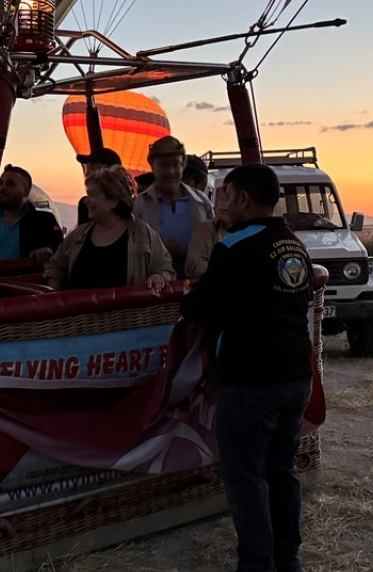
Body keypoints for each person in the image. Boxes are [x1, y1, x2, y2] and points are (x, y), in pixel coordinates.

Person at [179, 163, 314, 572]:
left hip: (251, 381)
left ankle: (257, 564)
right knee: (281, 470)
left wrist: (189, 295)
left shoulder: (234, 247)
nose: (220, 201)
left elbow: (199, 308)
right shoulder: (293, 243)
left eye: (224, 193)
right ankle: (287, 559)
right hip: (295, 375)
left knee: (246, 478)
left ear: (243, 199)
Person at [46, 165, 173, 292]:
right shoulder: (78, 235)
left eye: (92, 195)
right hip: (78, 311)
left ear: (114, 200)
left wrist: (158, 277)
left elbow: (165, 267)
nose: (86, 201)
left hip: (127, 312)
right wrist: (53, 297)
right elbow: (55, 267)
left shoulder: (143, 234)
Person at [133, 136, 214, 279]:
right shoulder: (139, 206)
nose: (170, 171)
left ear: (182, 165)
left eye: (175, 165)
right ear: (152, 166)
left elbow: (215, 246)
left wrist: (188, 253)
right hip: (156, 293)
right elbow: (133, 253)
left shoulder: (202, 203)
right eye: (163, 165)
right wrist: (161, 252)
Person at [0, 164, 64, 263]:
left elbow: (61, 252)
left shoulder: (45, 221)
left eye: (10, 184)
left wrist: (48, 251)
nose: (2, 188)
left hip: (25, 278)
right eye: (1, 183)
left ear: (26, 192)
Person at [184, 183, 230, 280]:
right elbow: (195, 267)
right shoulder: (204, 230)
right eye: (221, 199)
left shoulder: (255, 230)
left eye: (228, 199)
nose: (223, 205)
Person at [75, 148, 123, 225]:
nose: (87, 174)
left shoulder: (133, 208)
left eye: (93, 168)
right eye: (88, 168)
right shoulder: (85, 206)